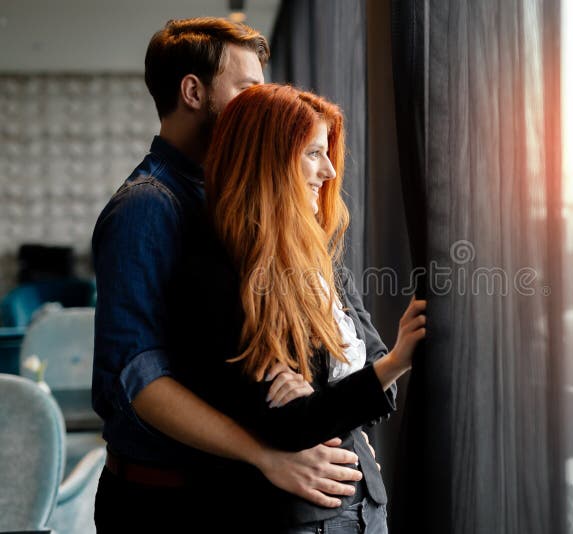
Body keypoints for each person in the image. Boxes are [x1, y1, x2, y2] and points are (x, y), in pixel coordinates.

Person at [92, 18, 367, 533]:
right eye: (247, 89)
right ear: (194, 92)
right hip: (163, 501)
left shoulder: (230, 198)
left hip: (225, 490)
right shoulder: (148, 207)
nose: (262, 102)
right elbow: (137, 377)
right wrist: (266, 455)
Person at [168, 83, 427, 532]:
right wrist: (393, 364)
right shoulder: (221, 271)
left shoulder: (322, 259)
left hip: (366, 507)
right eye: (312, 153)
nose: (328, 171)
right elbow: (287, 427)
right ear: (266, 161)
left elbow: (381, 396)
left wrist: (335, 393)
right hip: (298, 518)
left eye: (327, 154)